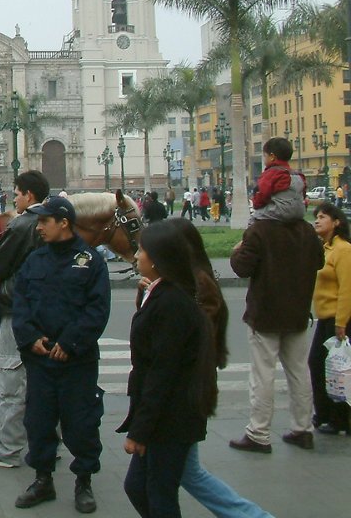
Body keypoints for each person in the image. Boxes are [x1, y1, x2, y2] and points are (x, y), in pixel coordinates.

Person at [159, 219, 274, 518]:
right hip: (181, 392)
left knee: (188, 474)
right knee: (166, 477)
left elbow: (197, 338)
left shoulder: (197, 284)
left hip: (187, 389)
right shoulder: (179, 282)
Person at [12, 195, 110, 513]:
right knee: (38, 422)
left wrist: (69, 344)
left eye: (44, 221)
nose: (39, 227)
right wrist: (30, 338)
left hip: (77, 362)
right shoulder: (34, 260)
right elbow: (21, 304)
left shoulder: (91, 261)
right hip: (40, 360)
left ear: (63, 223)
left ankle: (83, 480)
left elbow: (97, 311)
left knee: (81, 422)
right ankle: (43, 480)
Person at [119, 220, 219, 518]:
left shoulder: (173, 304)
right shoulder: (163, 294)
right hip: (163, 416)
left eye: (141, 250)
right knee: (138, 487)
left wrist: (140, 430)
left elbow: (162, 373)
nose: (136, 256)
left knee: (159, 494)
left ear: (159, 259)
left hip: (171, 417)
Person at [229, 202, 324, 453]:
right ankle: (303, 429)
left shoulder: (260, 230)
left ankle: (258, 433)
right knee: (299, 373)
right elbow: (319, 261)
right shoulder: (306, 230)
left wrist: (237, 250)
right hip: (297, 313)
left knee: (263, 374)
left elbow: (241, 268)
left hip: (265, 315)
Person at [0, 169, 50, 470]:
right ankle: (47, 444)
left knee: (12, 380)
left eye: (17, 193)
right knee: (42, 382)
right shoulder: (55, 221)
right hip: (47, 312)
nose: (14, 198)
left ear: (29, 195)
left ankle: (7, 449)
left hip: (17, 310)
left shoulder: (23, 224)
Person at [310, 202, 351, 435]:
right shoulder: (325, 248)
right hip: (326, 318)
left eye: (323, 217)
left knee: (336, 368)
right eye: (316, 216)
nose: (317, 220)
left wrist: (341, 322)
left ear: (336, 222)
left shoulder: (344, 250)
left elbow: (347, 288)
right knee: (321, 365)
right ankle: (325, 415)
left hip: (338, 319)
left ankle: (338, 419)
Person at [250, 137, 306, 223]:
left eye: (265, 156)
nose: (264, 159)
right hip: (299, 212)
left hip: (280, 212)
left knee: (254, 219)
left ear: (272, 156)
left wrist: (256, 203)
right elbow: (303, 193)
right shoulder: (298, 175)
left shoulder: (272, 173)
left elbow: (263, 194)